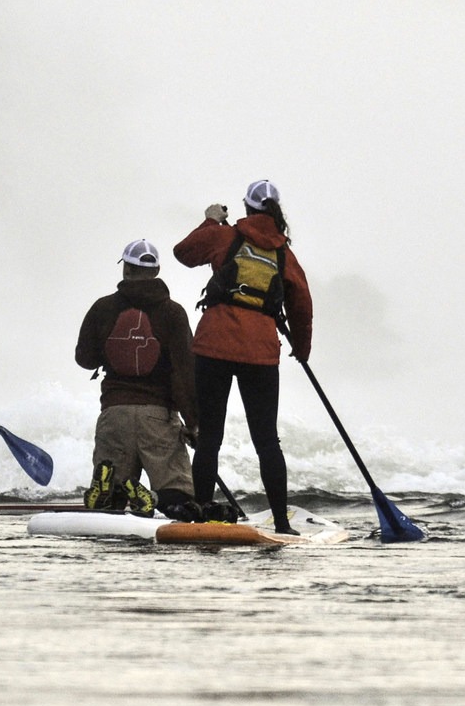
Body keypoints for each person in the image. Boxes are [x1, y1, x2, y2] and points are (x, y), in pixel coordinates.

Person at [173, 179, 313, 534]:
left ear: (247, 208)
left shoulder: (225, 236)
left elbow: (183, 253)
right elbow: (302, 303)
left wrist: (209, 221)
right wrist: (301, 347)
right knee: (267, 440)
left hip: (214, 344)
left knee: (210, 438)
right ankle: (282, 524)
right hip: (261, 352)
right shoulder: (283, 253)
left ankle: (202, 515)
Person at [73, 239, 201, 521]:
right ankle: (154, 498)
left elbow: (84, 359)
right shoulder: (173, 312)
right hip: (158, 417)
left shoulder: (102, 308)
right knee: (178, 495)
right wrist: (193, 423)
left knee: (110, 506)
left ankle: (117, 492)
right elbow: (184, 372)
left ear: (126, 270)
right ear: (156, 272)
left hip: (114, 414)